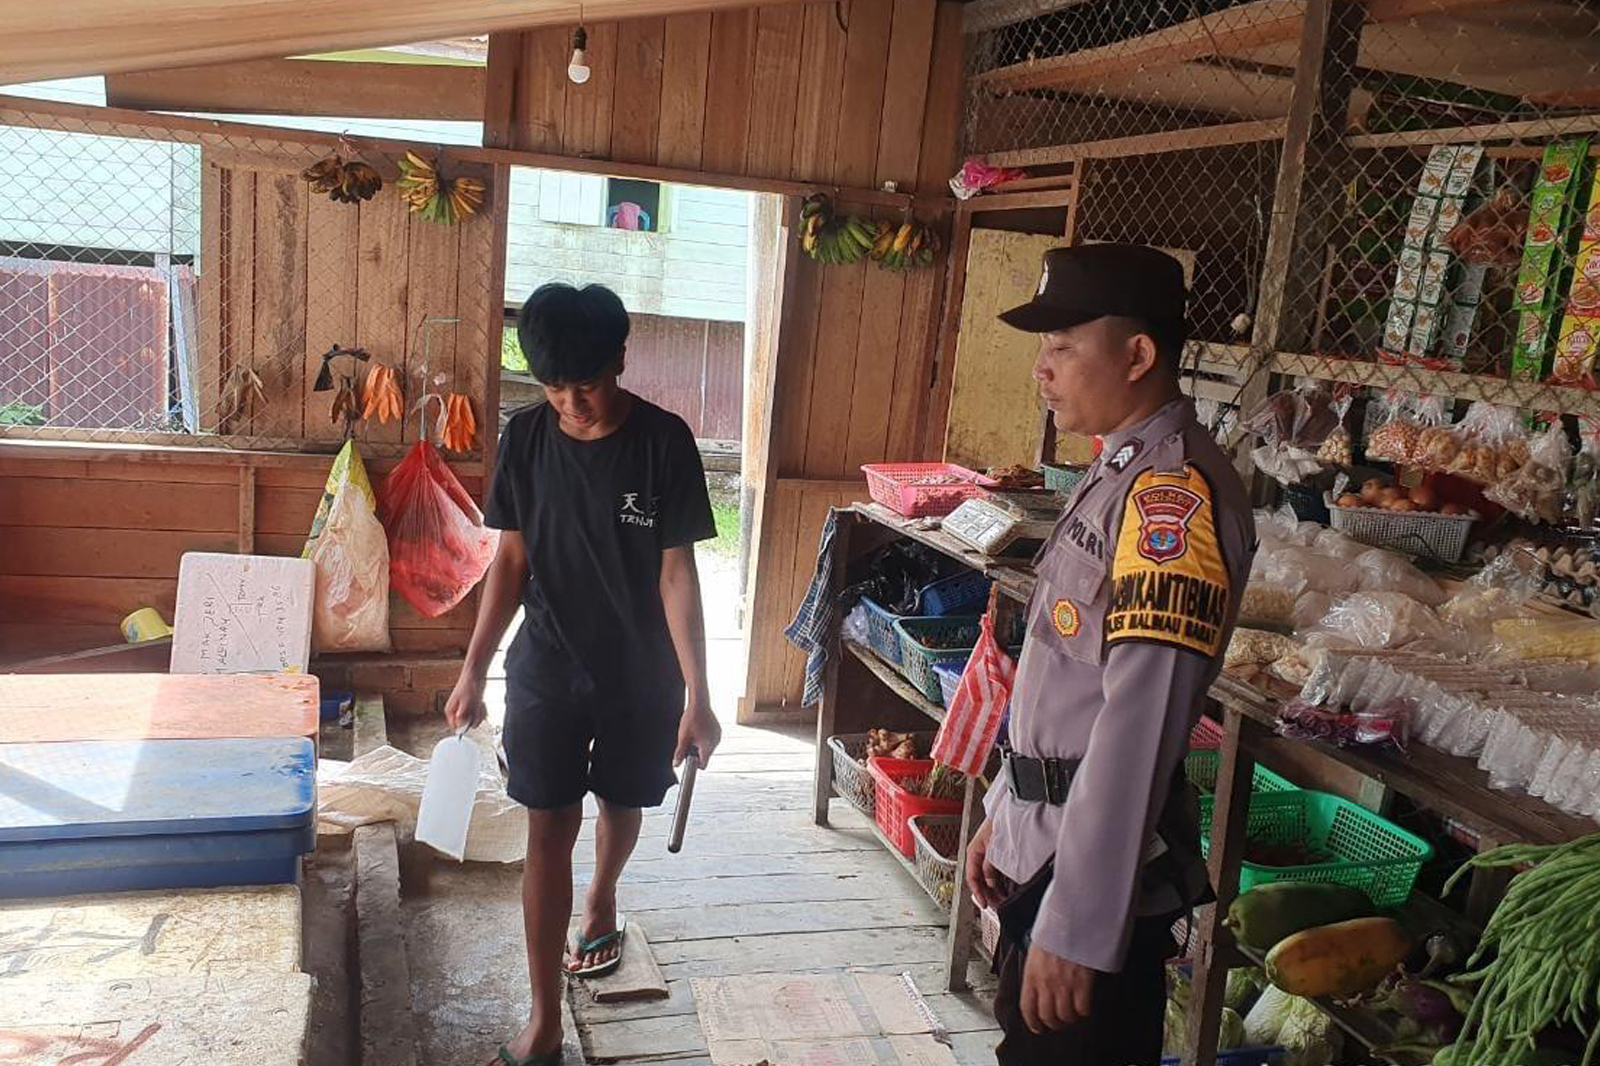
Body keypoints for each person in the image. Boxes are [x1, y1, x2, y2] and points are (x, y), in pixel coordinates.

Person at [964, 244, 1256, 1065]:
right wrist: (1004, 811)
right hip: (1044, 846)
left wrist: (1076, 925)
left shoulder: (1173, 498)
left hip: (1091, 879)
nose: (1042, 369)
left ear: (1137, 355)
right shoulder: (1118, 470)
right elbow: (1060, 682)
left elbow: (1139, 725)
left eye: (1062, 346)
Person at [443, 282, 722, 1066]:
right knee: (547, 825)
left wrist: (700, 696)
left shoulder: (664, 442)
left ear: (620, 361)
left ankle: (601, 896)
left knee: (624, 798)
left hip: (642, 673)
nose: (572, 404)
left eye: (588, 385)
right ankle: (543, 1023)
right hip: (548, 665)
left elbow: (678, 574)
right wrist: (473, 669)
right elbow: (510, 561)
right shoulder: (526, 439)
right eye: (555, 388)